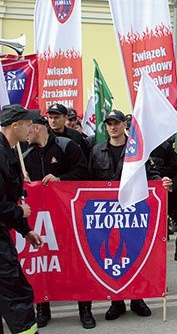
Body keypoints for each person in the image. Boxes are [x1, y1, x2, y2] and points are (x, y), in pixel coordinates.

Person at [89, 109, 170, 321]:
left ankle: (137, 298)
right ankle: (116, 301)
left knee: (134, 253)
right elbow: (88, 182)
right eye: (109, 123)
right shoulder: (97, 151)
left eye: (116, 123)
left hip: (134, 212)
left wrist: (162, 183)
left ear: (125, 125)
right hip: (106, 214)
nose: (112, 127)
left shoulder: (138, 150)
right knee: (112, 256)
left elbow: (152, 175)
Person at [23, 113, 95, 328]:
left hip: (69, 216)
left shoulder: (67, 146)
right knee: (43, 262)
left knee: (76, 263)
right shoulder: (25, 154)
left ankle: (85, 310)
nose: (24, 133)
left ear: (36, 128)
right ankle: (43, 309)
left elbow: (84, 172)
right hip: (42, 221)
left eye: (27, 128)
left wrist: (60, 180)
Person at [0, 104, 44, 334]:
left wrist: (25, 230)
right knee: (17, 295)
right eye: (28, 124)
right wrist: (20, 213)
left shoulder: (9, 152)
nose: (32, 128)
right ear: (14, 126)